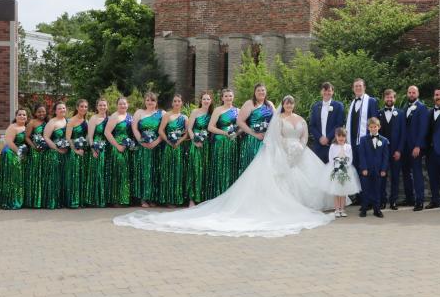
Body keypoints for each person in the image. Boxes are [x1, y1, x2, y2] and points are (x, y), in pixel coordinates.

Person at [115, 95, 335, 236]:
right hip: (222, 144)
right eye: (286, 103)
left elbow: (297, 133)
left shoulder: (284, 114)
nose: (288, 105)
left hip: (293, 151)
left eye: (290, 103)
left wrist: (296, 146)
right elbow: (216, 126)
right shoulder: (215, 111)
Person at [346, 79, 379, 195]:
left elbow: (375, 123)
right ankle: (360, 197)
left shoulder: (371, 101)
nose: (358, 88)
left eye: (360, 86)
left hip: (366, 142)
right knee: (356, 169)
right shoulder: (352, 103)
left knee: (367, 170)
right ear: (353, 89)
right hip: (353, 142)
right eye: (356, 86)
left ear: (364, 87)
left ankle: (369, 198)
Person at [206, 89, 240, 199]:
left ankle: (231, 196)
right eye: (226, 96)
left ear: (233, 97)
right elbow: (210, 127)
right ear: (222, 98)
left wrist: (236, 133)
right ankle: (219, 194)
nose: (228, 98)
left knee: (232, 167)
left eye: (230, 96)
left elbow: (241, 126)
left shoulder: (238, 111)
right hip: (220, 142)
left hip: (233, 143)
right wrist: (225, 133)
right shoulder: (218, 110)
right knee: (221, 167)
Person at [131, 92, 163, 207]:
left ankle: (153, 197)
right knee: (144, 171)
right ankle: (143, 198)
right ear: (145, 101)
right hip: (142, 147)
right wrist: (141, 141)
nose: (150, 103)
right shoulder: (139, 112)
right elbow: (134, 128)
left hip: (157, 147)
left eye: (153, 100)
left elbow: (164, 129)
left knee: (155, 170)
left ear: (156, 102)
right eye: (148, 100)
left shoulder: (161, 113)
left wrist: (156, 142)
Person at [401, 85, 429, 211]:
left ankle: (419, 201)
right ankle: (409, 198)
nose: (411, 94)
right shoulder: (405, 107)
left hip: (415, 147)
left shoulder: (422, 108)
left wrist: (418, 145)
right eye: (409, 92)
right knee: (406, 173)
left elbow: (423, 129)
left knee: (417, 174)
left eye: (413, 92)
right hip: (405, 147)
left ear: (417, 94)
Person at [157, 94, 189, 207]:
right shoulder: (167, 115)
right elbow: (161, 131)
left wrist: (179, 141)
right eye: (174, 101)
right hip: (168, 147)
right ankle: (168, 199)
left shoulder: (185, 117)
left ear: (182, 103)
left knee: (178, 171)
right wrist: (168, 141)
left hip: (179, 148)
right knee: (168, 171)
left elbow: (186, 133)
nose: (176, 103)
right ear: (172, 103)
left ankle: (178, 199)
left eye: (178, 101)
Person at [237, 83, 275, 175]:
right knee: (253, 167)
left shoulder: (269, 104)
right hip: (253, 140)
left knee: (267, 167)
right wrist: (255, 134)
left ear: (266, 92)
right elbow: (240, 121)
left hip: (267, 140)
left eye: (263, 90)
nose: (261, 92)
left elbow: (276, 120)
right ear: (254, 92)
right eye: (258, 90)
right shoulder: (249, 103)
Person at [377, 89, 405, 210]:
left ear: (395, 98)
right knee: (382, 176)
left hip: (395, 151)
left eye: (391, 97)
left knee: (395, 177)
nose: (389, 99)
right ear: (384, 99)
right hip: (382, 152)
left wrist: (399, 150)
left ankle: (393, 201)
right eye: (387, 97)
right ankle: (382, 200)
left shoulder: (401, 113)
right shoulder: (379, 114)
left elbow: (403, 134)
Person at [323, 127, 360, 217]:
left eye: (343, 136)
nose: (341, 138)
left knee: (343, 192)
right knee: (336, 192)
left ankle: (342, 209)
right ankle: (337, 209)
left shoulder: (348, 146)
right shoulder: (333, 146)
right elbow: (330, 158)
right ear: (336, 136)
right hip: (335, 169)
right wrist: (336, 166)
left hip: (345, 170)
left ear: (345, 136)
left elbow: (350, 158)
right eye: (339, 136)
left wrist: (344, 166)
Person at [357, 117, 389, 218]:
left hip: (379, 170)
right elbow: (361, 155)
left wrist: (384, 169)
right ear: (368, 128)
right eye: (371, 127)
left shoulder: (384, 140)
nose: (373, 129)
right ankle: (364, 209)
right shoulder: (363, 140)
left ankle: (377, 210)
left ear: (379, 127)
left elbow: (385, 156)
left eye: (375, 127)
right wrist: (364, 168)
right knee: (366, 189)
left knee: (377, 190)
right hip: (367, 169)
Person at [104, 97, 133, 207]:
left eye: (124, 104)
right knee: (119, 172)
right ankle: (117, 199)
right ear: (117, 105)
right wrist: (117, 146)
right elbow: (107, 133)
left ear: (128, 105)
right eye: (120, 104)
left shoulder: (130, 116)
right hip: (117, 148)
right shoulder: (114, 116)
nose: (123, 106)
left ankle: (125, 198)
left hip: (128, 148)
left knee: (126, 172)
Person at [0, 108, 28, 210]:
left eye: (24, 115)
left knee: (19, 178)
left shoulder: (26, 127)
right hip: (10, 154)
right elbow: (9, 142)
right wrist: (19, 153)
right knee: (12, 178)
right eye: (20, 114)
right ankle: (10, 201)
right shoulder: (12, 127)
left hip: (19, 153)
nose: (22, 116)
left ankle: (19, 200)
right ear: (16, 116)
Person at [187, 91, 213, 206]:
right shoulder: (195, 112)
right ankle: (192, 199)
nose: (206, 101)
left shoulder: (213, 113)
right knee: (195, 169)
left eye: (208, 99)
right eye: (204, 99)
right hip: (196, 144)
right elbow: (189, 129)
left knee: (206, 170)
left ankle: (203, 197)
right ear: (201, 100)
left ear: (211, 101)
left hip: (208, 145)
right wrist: (195, 140)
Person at [309, 82, 345, 163]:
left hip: (333, 144)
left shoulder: (339, 106)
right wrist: (320, 138)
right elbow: (312, 125)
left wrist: (328, 138)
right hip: (318, 145)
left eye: (329, 90)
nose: (326, 93)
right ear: (321, 92)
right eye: (324, 90)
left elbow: (339, 124)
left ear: (333, 92)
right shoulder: (315, 106)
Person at [63, 99, 89, 209]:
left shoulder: (86, 121)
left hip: (83, 151)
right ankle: (73, 201)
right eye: (81, 106)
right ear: (77, 107)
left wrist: (84, 147)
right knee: (74, 175)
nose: (83, 108)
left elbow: (87, 136)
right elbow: (68, 138)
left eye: (85, 107)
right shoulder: (71, 121)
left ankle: (81, 200)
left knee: (82, 175)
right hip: (74, 151)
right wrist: (76, 150)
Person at [42, 101, 69, 210]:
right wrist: (57, 149)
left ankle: (64, 200)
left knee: (65, 176)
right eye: (60, 108)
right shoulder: (52, 122)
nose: (62, 110)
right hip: (55, 153)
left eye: (64, 108)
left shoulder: (68, 121)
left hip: (66, 153)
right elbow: (46, 137)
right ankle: (53, 201)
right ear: (55, 111)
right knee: (55, 177)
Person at [84, 98, 109, 208]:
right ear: (97, 107)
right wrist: (93, 149)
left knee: (105, 173)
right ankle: (95, 199)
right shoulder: (94, 118)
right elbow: (90, 136)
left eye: (104, 105)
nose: (102, 107)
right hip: (97, 148)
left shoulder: (109, 118)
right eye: (100, 105)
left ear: (107, 106)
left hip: (108, 148)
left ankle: (105, 198)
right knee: (97, 172)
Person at [22, 104, 47, 208]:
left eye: (43, 111)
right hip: (36, 152)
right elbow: (26, 137)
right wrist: (34, 146)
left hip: (46, 152)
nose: (41, 113)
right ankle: (35, 200)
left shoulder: (48, 122)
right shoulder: (32, 123)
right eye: (39, 112)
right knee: (36, 175)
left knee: (45, 175)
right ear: (35, 113)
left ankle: (44, 199)